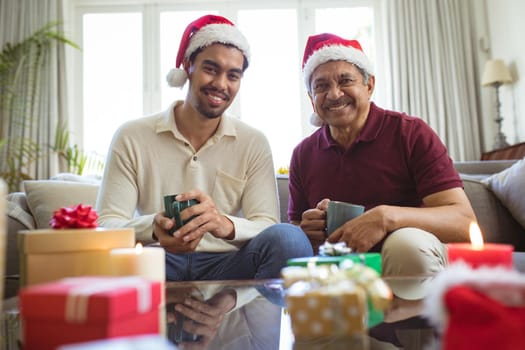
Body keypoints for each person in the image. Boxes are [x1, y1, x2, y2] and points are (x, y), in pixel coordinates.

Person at [96, 14, 312, 281]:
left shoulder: (253, 141)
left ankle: (238, 306)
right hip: (156, 262)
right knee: (94, 254)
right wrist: (153, 228)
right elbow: (106, 224)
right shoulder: (131, 136)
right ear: (188, 66)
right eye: (211, 69)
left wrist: (225, 224)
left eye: (233, 75)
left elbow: (266, 224)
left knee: (289, 238)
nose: (221, 84)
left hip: (229, 265)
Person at [288, 33, 477, 299]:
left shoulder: (410, 133)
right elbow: (295, 227)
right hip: (341, 278)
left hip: (410, 264)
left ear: (369, 85)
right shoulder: (303, 154)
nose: (334, 94)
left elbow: (462, 220)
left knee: (405, 246)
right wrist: (306, 230)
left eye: (346, 80)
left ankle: (407, 316)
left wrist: (386, 217)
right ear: (311, 99)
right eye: (320, 86)